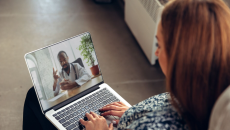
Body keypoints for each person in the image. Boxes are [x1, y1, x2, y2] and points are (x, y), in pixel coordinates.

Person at [79, 0, 230, 130]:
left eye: (159, 45)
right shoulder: (204, 95)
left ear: (181, 57)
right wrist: (136, 114)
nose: (157, 53)